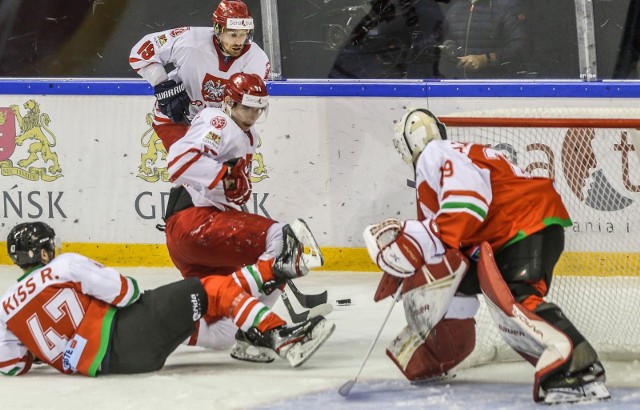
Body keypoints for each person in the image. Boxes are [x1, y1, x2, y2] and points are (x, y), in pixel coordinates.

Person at [363, 108, 610, 404]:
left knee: (518, 297)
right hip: (512, 230)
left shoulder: (435, 154)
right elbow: (446, 245)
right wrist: (413, 264)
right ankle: (441, 351)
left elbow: (467, 203)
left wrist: (417, 243)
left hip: (521, 226)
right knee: (449, 286)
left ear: (405, 144)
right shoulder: (444, 164)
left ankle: (579, 369)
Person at [0, 222, 334, 376]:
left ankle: (278, 269)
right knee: (210, 288)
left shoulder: (5, 307)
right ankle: (279, 335)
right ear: (43, 251)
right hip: (128, 333)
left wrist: (46, 350)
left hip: (117, 366)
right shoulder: (64, 264)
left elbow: (12, 367)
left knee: (212, 324)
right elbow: (125, 292)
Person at [160, 71, 329, 358]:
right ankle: (261, 327)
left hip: (194, 237)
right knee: (282, 241)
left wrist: (231, 190)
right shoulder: (219, 122)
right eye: (246, 107)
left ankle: (158, 330)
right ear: (228, 102)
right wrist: (223, 176)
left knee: (222, 329)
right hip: (195, 223)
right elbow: (177, 162)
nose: (252, 115)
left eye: (257, 109)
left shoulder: (243, 135)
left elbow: (229, 190)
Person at [129, 0, 270, 150]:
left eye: (244, 34)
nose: (239, 41)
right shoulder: (189, 40)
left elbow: (250, 104)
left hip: (222, 125)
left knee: (220, 171)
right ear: (218, 29)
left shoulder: (257, 60)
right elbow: (139, 54)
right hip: (177, 118)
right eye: (233, 34)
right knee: (191, 166)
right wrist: (163, 85)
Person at [328, 0, 447, 79]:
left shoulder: (425, 8)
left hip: (403, 79)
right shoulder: (377, 8)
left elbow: (432, 40)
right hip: (357, 74)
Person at [438, 0, 531, 79]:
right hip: (457, 87)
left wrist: (484, 59)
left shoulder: (505, 7)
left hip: (493, 87)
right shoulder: (455, 8)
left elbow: (521, 46)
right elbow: (441, 42)